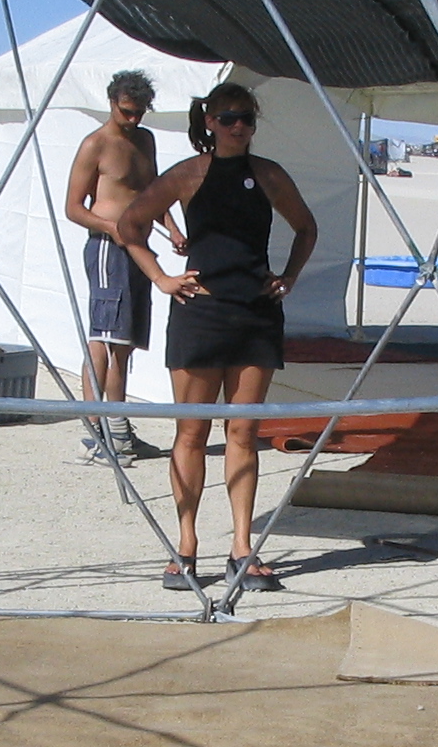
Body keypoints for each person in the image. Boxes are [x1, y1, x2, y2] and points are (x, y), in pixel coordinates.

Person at [115, 82, 317, 594]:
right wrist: (161, 278)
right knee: (191, 433)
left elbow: (306, 228)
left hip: (255, 314)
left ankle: (242, 548)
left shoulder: (269, 174)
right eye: (228, 118)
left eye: (246, 118)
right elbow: (129, 225)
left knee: (244, 433)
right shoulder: (187, 175)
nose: (238, 126)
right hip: (199, 313)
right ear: (210, 122)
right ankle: (185, 546)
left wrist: (289, 277)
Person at [64, 68, 183, 466]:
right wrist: (112, 228)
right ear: (112, 102)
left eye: (139, 112)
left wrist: (171, 228)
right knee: (103, 339)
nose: (132, 119)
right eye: (126, 111)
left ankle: (118, 430)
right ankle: (96, 435)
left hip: (139, 247)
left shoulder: (145, 140)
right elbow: (74, 208)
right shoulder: (95, 144)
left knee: (124, 343)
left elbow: (152, 192)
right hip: (107, 249)